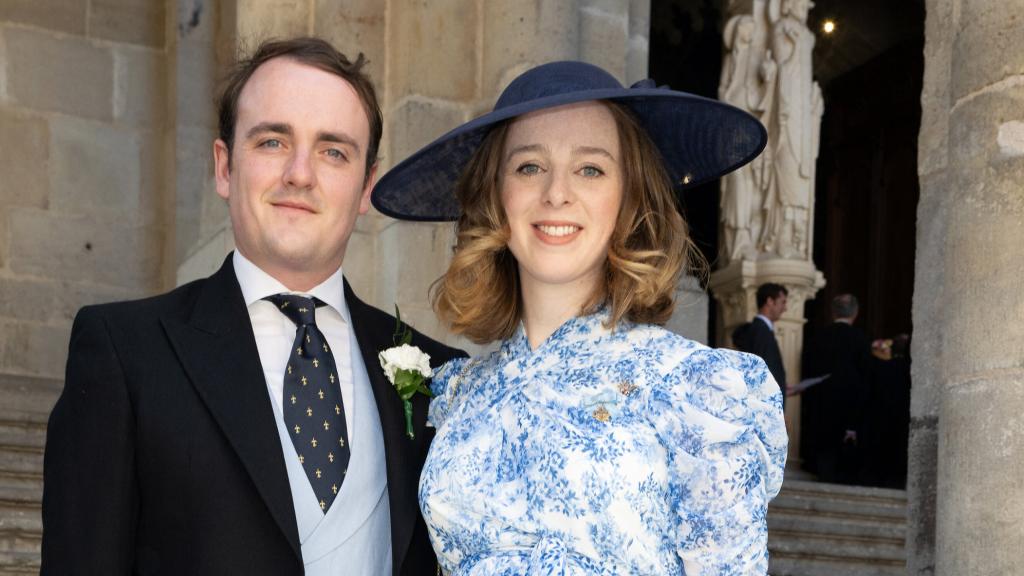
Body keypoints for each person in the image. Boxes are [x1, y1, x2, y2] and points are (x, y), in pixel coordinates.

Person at [41, 37, 463, 575]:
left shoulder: (439, 377)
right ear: (224, 167)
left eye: (334, 151)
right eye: (272, 142)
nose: (301, 174)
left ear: (365, 187)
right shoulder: (126, 351)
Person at [373, 61, 788, 574]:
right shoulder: (460, 394)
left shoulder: (697, 391)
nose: (556, 192)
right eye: (529, 166)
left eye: (590, 168)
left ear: (629, 198)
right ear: (496, 198)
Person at [800, 293, 870, 484]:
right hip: (850, 409)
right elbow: (866, 379)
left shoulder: (817, 337)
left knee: (823, 457)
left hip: (819, 408)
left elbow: (806, 371)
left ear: (832, 312)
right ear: (855, 313)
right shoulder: (860, 339)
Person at [733, 283, 789, 403]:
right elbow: (762, 375)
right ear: (770, 301)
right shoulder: (761, 331)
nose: (785, 308)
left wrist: (783, 386)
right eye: (783, 302)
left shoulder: (760, 330)